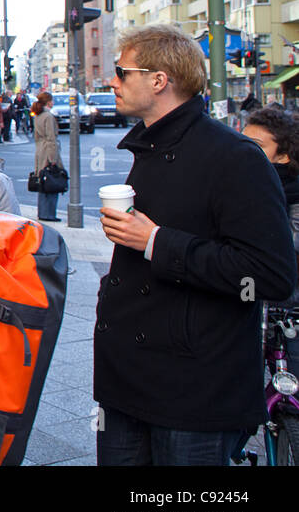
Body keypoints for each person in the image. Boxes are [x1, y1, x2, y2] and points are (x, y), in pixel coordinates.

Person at [95, 25, 298, 466]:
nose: (112, 81)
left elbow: (269, 274)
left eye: (121, 71)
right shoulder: (149, 147)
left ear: (158, 80)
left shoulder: (235, 157)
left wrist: (156, 243)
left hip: (194, 391)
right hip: (127, 381)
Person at [242, 105, 299, 310]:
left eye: (255, 145)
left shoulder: (288, 195)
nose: (242, 150)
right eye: (241, 142)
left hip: (283, 314)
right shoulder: (242, 186)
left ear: (284, 156)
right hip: (252, 304)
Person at [33, 91, 60, 222]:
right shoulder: (48, 116)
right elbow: (51, 138)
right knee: (52, 181)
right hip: (48, 152)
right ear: (48, 102)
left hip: (40, 150)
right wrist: (53, 159)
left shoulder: (38, 115)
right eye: (52, 100)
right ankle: (49, 213)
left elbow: (36, 136)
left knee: (42, 182)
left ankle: (43, 212)